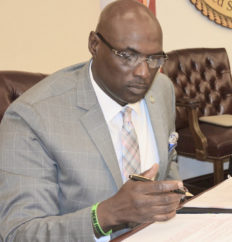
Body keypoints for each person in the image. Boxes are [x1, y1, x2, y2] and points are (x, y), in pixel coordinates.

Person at [0, 0, 184, 241]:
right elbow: (19, 233)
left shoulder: (161, 89)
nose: (143, 73)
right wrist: (107, 215)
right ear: (94, 45)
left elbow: (168, 159)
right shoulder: (31, 118)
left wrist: (172, 193)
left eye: (154, 59)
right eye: (128, 55)